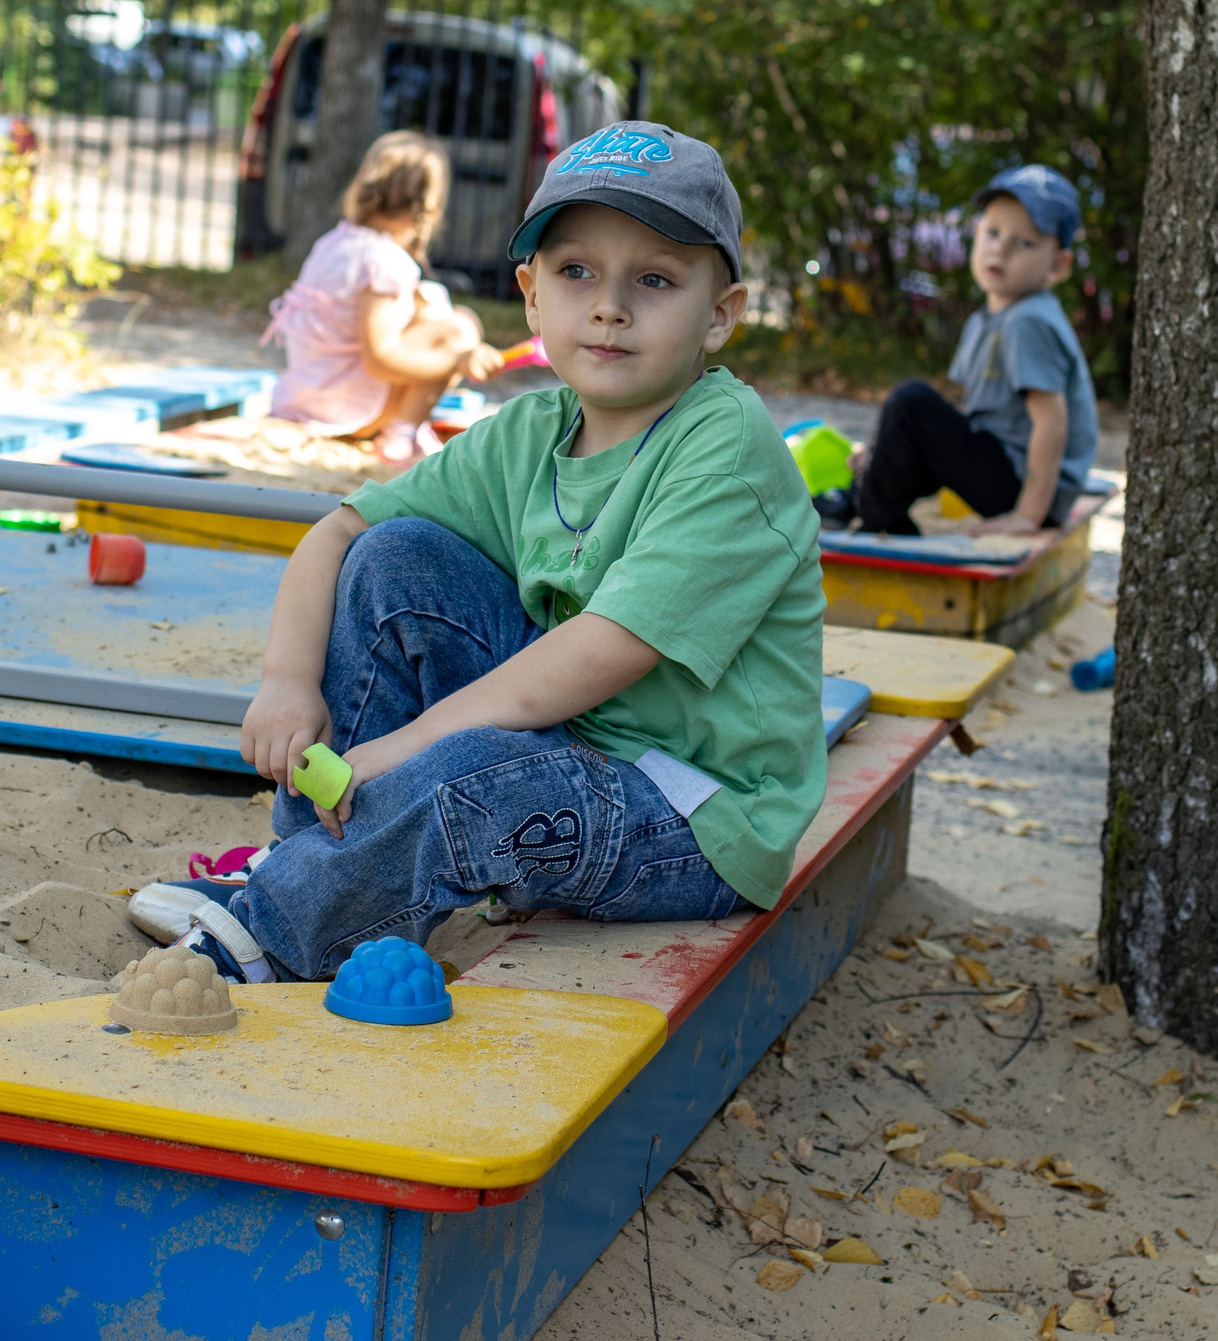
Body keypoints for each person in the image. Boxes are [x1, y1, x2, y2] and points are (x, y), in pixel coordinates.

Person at [130, 122, 827, 985]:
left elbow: (609, 645)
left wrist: (408, 746)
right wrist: (285, 679)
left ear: (720, 315)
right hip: (572, 746)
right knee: (397, 556)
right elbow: (339, 531)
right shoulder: (535, 431)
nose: (610, 306)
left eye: (655, 279)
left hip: (692, 812)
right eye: (577, 272)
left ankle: (281, 928)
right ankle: (306, 864)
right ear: (532, 297)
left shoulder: (725, 444)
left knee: (471, 766)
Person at [815, 164, 1099, 537]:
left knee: (911, 402)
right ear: (977, 234)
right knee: (914, 423)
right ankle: (869, 496)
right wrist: (883, 454)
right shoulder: (989, 319)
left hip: (1029, 490)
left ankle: (871, 516)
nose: (1001, 248)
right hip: (1004, 469)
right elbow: (963, 423)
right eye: (993, 233)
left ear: (1059, 266)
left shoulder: (1027, 322)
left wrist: (1028, 516)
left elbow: (1052, 424)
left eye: (1024, 242)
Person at [263, 131, 503, 465]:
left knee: (433, 305)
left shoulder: (335, 242)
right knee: (460, 328)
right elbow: (380, 358)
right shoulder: (385, 263)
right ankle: (401, 434)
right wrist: (457, 361)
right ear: (428, 210)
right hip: (348, 412)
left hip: (304, 398)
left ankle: (403, 426)